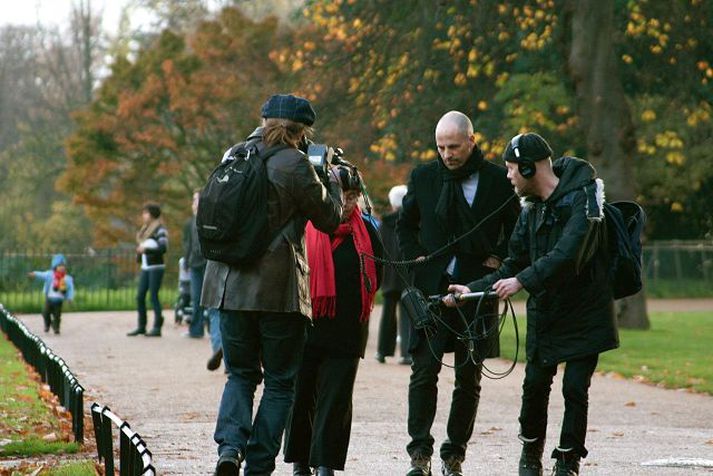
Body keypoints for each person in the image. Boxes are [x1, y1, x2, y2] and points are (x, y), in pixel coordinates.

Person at [446, 132, 619, 476]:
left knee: (574, 388)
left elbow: (567, 254)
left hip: (586, 311)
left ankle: (567, 460)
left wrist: (523, 281)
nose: (508, 175)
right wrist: (472, 289)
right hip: (547, 312)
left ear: (528, 167)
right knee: (535, 385)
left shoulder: (585, 201)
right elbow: (513, 263)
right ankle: (530, 454)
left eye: (512, 169)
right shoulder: (530, 210)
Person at [201, 94, 343, 476]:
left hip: (228, 287)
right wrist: (332, 178)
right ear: (302, 132)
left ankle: (229, 449)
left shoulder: (233, 154)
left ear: (263, 122)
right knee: (280, 382)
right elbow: (330, 218)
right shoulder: (295, 164)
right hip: (277, 290)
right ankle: (259, 465)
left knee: (241, 374)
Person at [397, 111, 519, 476]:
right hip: (431, 289)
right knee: (423, 373)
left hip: (476, 290)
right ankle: (419, 454)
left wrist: (499, 260)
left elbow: (515, 230)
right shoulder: (423, 176)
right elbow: (405, 227)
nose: (447, 154)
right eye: (440, 147)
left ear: (471, 141)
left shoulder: (499, 180)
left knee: (469, 376)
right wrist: (415, 262)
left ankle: (454, 454)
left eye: (453, 146)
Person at [284, 180, 384, 476]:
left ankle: (326, 463)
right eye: (342, 196)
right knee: (301, 395)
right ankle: (300, 461)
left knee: (336, 399)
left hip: (348, 328)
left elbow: (379, 272)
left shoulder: (367, 230)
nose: (348, 202)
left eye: (353, 196)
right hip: (306, 323)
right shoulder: (304, 224)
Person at [375, 184, 412, 365]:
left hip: (389, 275)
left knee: (387, 315)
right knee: (408, 314)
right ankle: (407, 352)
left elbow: (379, 250)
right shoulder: (412, 221)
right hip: (407, 274)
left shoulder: (384, 224)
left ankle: (382, 351)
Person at [127, 203, 168, 337]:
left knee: (153, 296)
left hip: (156, 268)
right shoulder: (145, 230)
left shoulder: (160, 229)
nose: (143, 215)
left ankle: (157, 326)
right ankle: (141, 326)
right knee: (140, 297)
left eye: (146, 213)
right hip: (145, 267)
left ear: (152, 214)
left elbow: (163, 248)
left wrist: (146, 250)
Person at [28, 254, 75, 335]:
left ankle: (56, 328)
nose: (62, 267)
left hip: (59, 300)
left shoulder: (67, 278)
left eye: (63, 266)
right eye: (59, 265)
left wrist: (70, 298)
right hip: (49, 299)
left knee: (57, 316)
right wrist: (34, 274)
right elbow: (41, 275)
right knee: (45, 312)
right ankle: (47, 324)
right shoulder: (50, 275)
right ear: (55, 267)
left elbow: (70, 289)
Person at [182, 190, 207, 338]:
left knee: (209, 299)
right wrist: (186, 260)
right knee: (195, 297)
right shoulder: (191, 221)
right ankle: (196, 329)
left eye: (195, 200)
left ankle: (211, 328)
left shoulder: (207, 219)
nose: (193, 203)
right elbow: (188, 244)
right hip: (194, 264)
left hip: (206, 263)